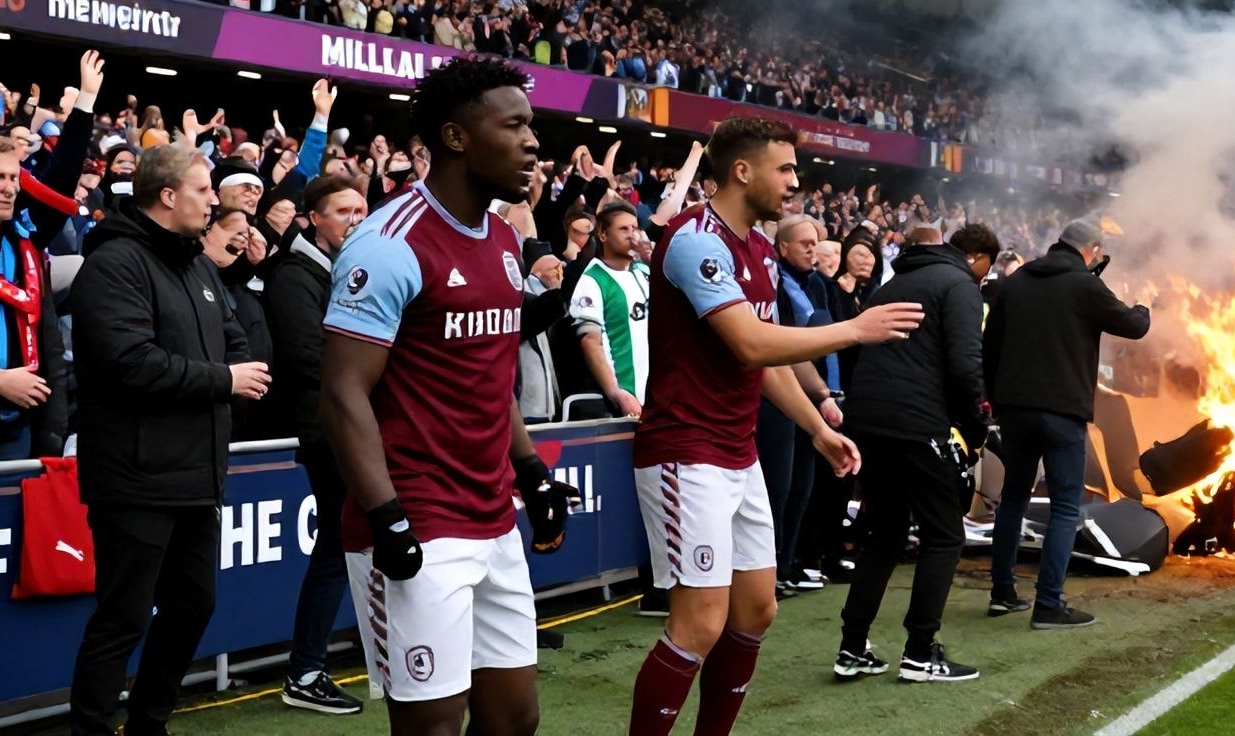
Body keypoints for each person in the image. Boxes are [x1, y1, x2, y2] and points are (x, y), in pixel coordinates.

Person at [626, 116, 922, 736]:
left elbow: (764, 361)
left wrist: (817, 428)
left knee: (756, 613)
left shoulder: (759, 248)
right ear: (742, 170)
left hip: (737, 451)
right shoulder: (694, 240)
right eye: (784, 169)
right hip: (686, 450)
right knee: (700, 623)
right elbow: (752, 342)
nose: (794, 181)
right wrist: (854, 329)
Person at [322, 57, 574, 736]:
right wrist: (387, 517)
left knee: (515, 718)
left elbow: (490, 381)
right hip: (418, 515)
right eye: (514, 125)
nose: (532, 142)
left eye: (532, 126)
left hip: (493, 517)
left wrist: (532, 473)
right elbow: (343, 392)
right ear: (457, 138)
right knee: (432, 725)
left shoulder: (500, 238)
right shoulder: (387, 242)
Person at [68, 144, 272, 736]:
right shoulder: (114, 264)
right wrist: (224, 381)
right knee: (122, 618)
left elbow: (235, 341)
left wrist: (234, 373)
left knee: (192, 606)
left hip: (196, 473)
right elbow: (128, 362)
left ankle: (148, 724)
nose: (215, 200)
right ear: (167, 195)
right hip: (133, 475)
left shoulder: (198, 265)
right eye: (206, 190)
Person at [837, 223, 1001, 683]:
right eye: (985, 269)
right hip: (917, 422)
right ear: (976, 258)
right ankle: (920, 652)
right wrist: (974, 429)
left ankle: (852, 647)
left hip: (869, 420)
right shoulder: (959, 286)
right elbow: (967, 365)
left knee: (883, 535)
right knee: (944, 535)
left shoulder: (893, 282)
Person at [983, 217, 1150, 630]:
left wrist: (996, 400)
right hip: (1061, 412)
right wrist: (1145, 305)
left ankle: (1002, 592)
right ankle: (1049, 604)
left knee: (1013, 499)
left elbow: (989, 346)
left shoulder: (1016, 280)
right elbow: (1135, 325)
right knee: (1064, 508)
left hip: (1015, 410)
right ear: (1092, 250)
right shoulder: (1085, 284)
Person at [0, 50, 101, 464]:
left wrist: (85, 103)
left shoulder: (24, 239)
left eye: (14, 177)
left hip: (27, 432)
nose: (10, 188)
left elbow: (61, 181)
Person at [263, 175, 369, 715]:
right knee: (337, 547)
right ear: (313, 219)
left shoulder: (347, 270)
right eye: (343, 210)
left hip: (354, 426)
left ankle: (322, 663)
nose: (356, 217)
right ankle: (305, 670)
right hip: (326, 432)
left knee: (355, 544)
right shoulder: (294, 276)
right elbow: (309, 359)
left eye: (361, 207)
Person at [758, 213, 845, 599]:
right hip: (779, 397)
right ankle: (769, 568)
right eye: (805, 243)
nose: (814, 249)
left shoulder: (818, 286)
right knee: (780, 485)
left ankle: (789, 563)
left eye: (816, 242)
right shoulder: (774, 283)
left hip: (815, 393)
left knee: (803, 487)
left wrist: (828, 392)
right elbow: (784, 345)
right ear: (783, 247)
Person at [569, 202, 651, 420]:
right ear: (603, 235)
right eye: (624, 229)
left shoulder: (645, 271)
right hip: (626, 400)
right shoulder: (593, 280)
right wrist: (616, 393)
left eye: (635, 228)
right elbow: (590, 342)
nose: (632, 235)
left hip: (660, 396)